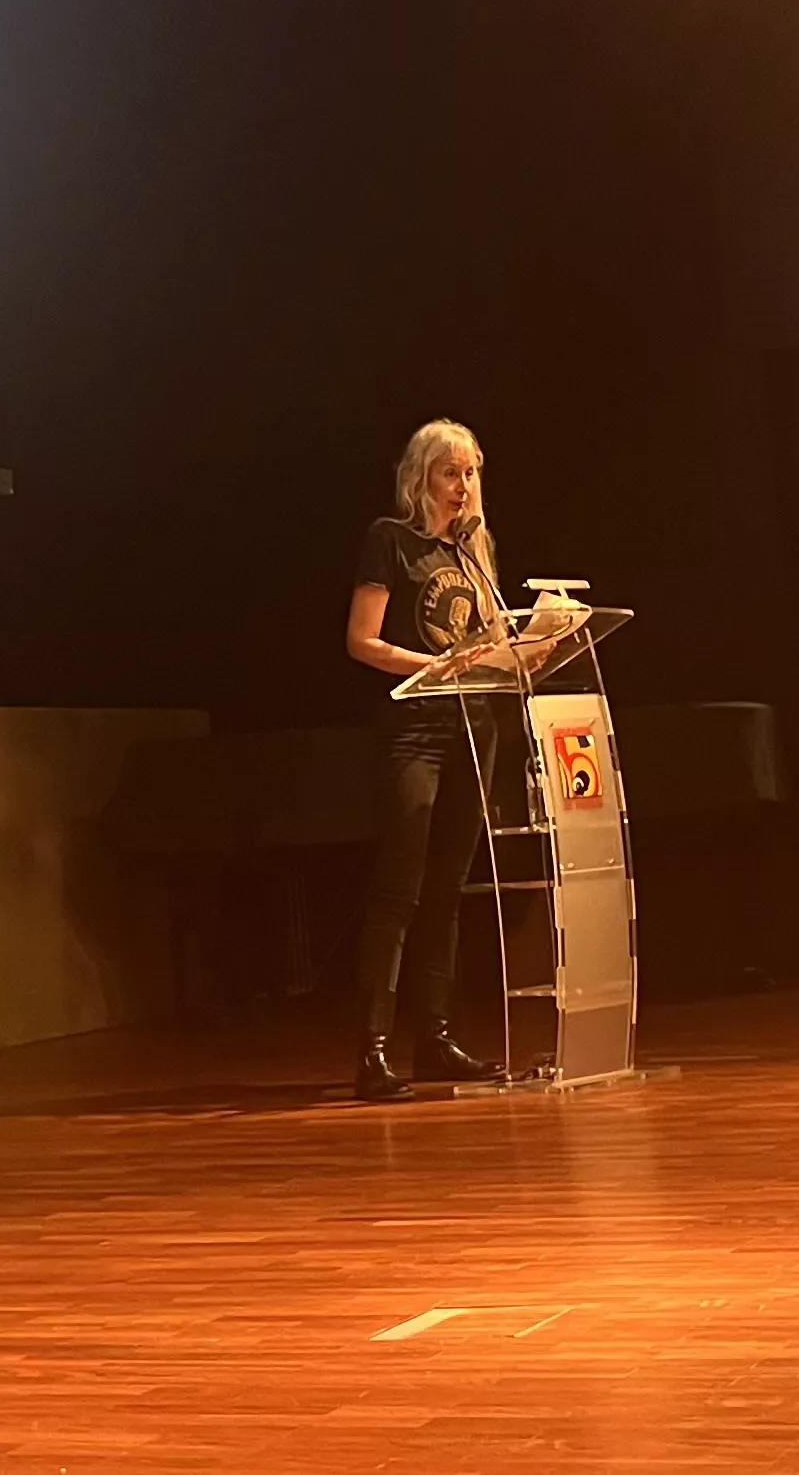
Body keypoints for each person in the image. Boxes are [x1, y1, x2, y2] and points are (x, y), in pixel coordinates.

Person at [339, 418, 513, 1102]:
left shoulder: (475, 554)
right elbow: (362, 641)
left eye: (470, 473)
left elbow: (488, 645)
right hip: (413, 731)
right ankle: (373, 1050)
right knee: (400, 890)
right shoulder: (390, 540)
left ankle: (435, 1041)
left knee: (447, 891)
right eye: (449, 473)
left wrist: (539, 639)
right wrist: (435, 667)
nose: (462, 486)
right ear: (421, 478)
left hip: (472, 729)